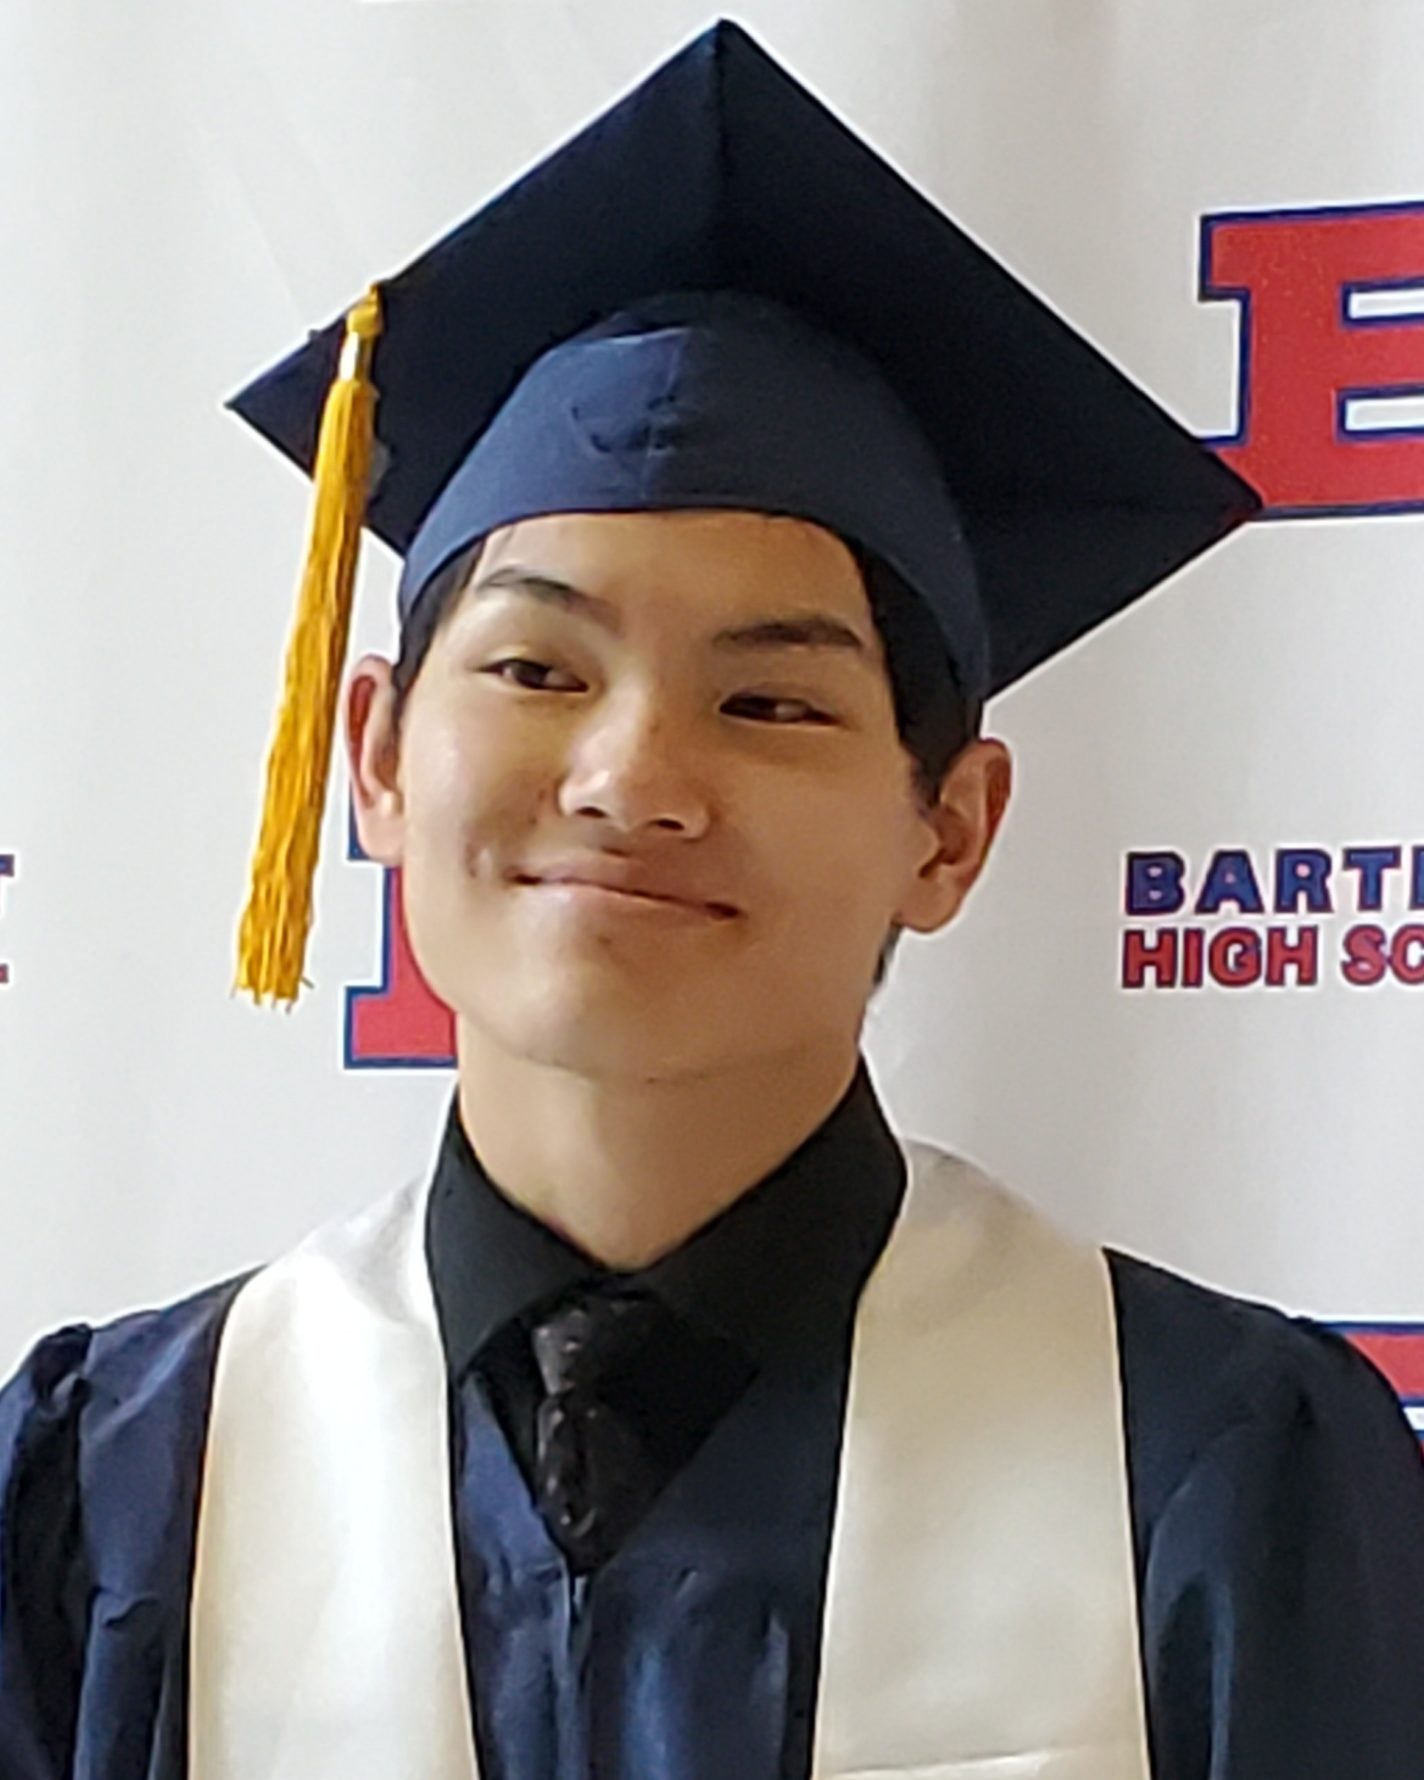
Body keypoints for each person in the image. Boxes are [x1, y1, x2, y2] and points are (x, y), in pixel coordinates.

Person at [3, 21, 1422, 1780]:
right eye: (535, 667)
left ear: (950, 831)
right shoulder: (122, 1486)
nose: (630, 777)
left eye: (772, 703)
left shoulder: (1225, 1472)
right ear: (369, 752)